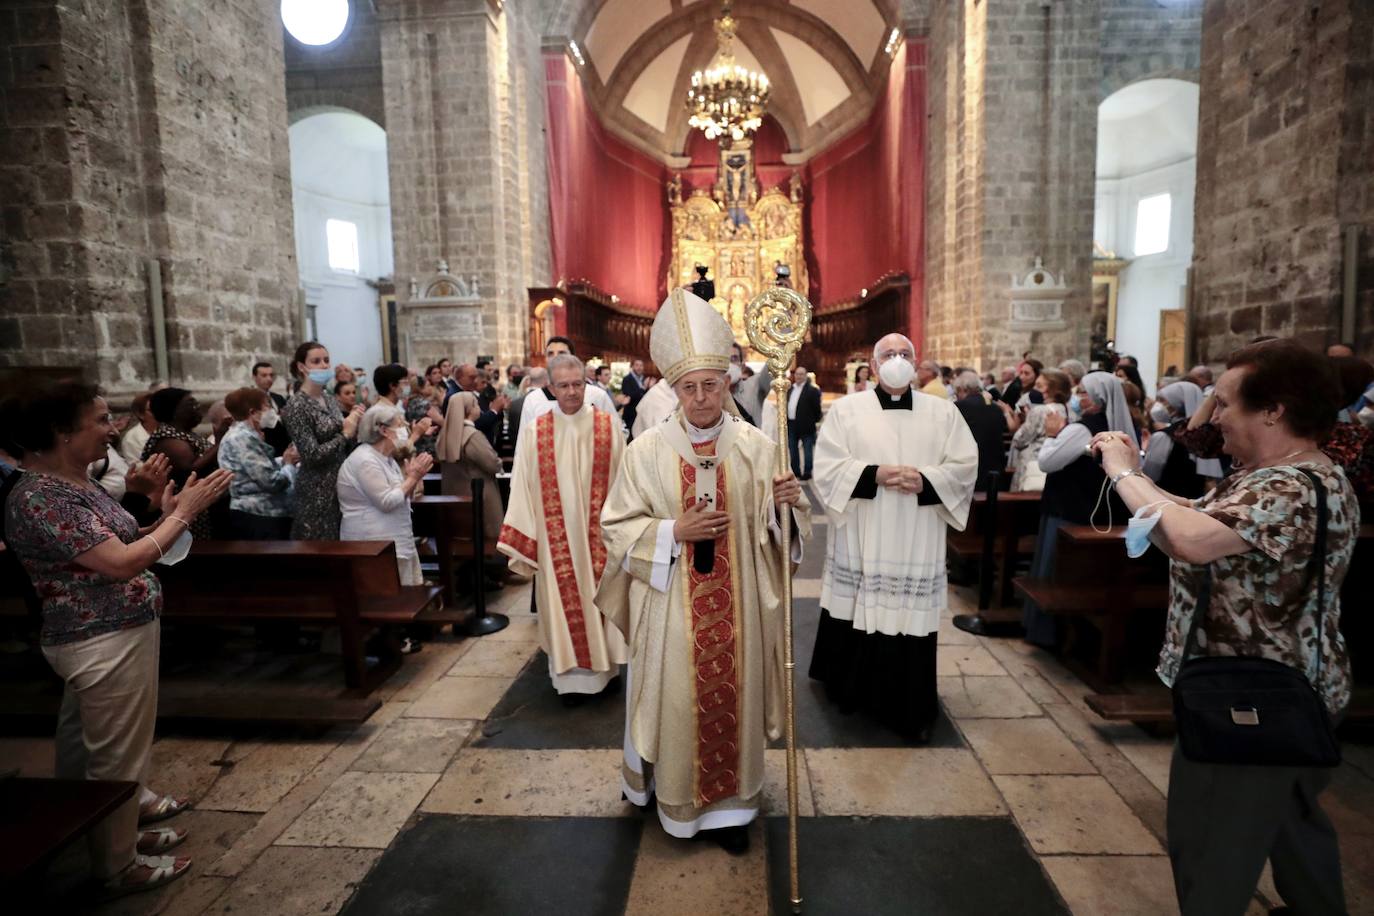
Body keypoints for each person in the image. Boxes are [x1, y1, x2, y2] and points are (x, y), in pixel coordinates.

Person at [1093, 339, 1354, 916]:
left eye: (1227, 403)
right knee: (1293, 830)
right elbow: (1186, 511)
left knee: (1212, 844)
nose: (1215, 419)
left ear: (1274, 410)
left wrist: (1123, 473)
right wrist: (1138, 479)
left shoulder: (1289, 488)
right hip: (1285, 689)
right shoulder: (1269, 476)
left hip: (1252, 698)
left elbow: (1188, 539)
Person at [596, 288, 807, 854]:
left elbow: (779, 531)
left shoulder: (759, 448)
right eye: (688, 387)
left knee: (729, 700)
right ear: (674, 390)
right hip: (670, 608)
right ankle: (675, 803)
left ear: (728, 382)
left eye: (710, 384)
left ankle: (729, 812)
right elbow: (616, 525)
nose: (700, 397)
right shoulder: (645, 452)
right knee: (675, 702)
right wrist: (671, 533)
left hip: (737, 609)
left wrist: (784, 503)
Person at [2, 380, 231, 896]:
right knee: (118, 757)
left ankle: (108, 838)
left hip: (114, 633)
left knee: (84, 750)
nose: (116, 428)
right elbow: (121, 562)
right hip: (99, 640)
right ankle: (115, 866)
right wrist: (184, 514)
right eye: (102, 420)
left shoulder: (74, 483)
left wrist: (158, 507)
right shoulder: (41, 497)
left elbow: (122, 538)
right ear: (62, 433)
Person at [809, 333, 977, 742]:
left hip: (917, 529)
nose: (897, 360)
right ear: (872, 363)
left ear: (916, 363)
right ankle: (854, 694)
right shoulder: (847, 410)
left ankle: (910, 705)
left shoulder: (943, 413)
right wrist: (874, 474)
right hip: (865, 525)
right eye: (888, 354)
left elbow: (964, 464)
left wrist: (926, 479)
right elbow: (827, 467)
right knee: (860, 608)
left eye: (905, 354)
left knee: (908, 620)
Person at [499, 354, 627, 702]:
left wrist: (624, 531)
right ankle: (569, 682)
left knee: (600, 603)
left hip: (599, 539)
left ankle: (606, 673)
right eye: (564, 386)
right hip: (554, 543)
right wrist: (527, 535)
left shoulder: (607, 426)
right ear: (550, 388)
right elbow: (522, 484)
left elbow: (625, 483)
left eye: (578, 384)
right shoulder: (535, 431)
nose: (572, 392)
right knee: (562, 607)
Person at [1018, 372, 1136, 647]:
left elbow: (1047, 462)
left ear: (1097, 399)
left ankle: (1047, 632)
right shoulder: (1116, 427)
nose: (1077, 396)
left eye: (1083, 392)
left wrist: (1051, 435)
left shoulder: (1081, 429)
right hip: (1094, 510)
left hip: (1067, 509)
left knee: (1054, 570)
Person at [337, 403, 433, 588]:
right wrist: (413, 477)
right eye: (399, 425)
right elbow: (386, 501)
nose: (404, 430)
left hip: (393, 536)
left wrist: (412, 478)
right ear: (383, 430)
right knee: (384, 597)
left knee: (405, 595)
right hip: (372, 541)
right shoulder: (365, 460)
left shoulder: (386, 458)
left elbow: (402, 494)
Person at [281, 341, 364, 539]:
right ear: (302, 367)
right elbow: (311, 455)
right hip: (317, 489)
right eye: (316, 361)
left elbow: (344, 440)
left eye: (326, 360)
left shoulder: (329, 399)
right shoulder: (296, 406)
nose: (324, 365)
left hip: (340, 480)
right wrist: (344, 434)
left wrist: (354, 425)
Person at [218, 387, 298, 539]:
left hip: (262, 514)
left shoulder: (247, 435)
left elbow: (256, 468)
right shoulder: (242, 437)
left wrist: (284, 459)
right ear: (253, 413)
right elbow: (271, 482)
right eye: (267, 406)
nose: (271, 411)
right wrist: (288, 465)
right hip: (258, 515)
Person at [437, 391, 503, 541]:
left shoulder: (445, 433)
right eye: (476, 405)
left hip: (454, 491)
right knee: (485, 533)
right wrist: (498, 462)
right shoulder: (472, 435)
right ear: (469, 409)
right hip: (478, 493)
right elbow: (492, 463)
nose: (479, 408)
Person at [1141, 381, 1221, 499]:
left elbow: (1150, 475)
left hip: (1164, 500)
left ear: (1177, 404)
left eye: (1163, 401)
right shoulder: (1208, 438)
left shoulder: (1164, 437)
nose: (1158, 405)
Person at [519, 338, 618, 432]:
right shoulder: (533, 399)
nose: (555, 357)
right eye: (550, 354)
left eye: (562, 353)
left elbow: (615, 430)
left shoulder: (597, 395)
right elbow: (523, 444)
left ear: (573, 357)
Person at [1001, 368, 1071, 492]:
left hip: (1033, 464)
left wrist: (1027, 418)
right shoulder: (1065, 409)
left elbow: (1019, 440)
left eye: (1039, 386)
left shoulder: (1039, 411)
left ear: (1052, 389)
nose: (1035, 390)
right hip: (1054, 464)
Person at [952, 370, 1008, 491]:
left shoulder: (959, 407)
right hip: (995, 467)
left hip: (971, 468)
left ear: (963, 389)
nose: (956, 396)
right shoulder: (995, 408)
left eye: (957, 392)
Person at [786, 365, 822, 480]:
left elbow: (817, 409)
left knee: (807, 450)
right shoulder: (790, 389)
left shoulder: (812, 390)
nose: (798, 376)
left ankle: (807, 472)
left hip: (806, 425)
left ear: (806, 376)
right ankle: (795, 471)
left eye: (801, 374)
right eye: (797, 374)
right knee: (793, 449)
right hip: (792, 424)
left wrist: (813, 420)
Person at [252, 361, 291, 456]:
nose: (269, 379)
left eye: (271, 375)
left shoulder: (278, 398)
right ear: (254, 377)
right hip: (265, 449)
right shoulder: (250, 399)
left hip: (284, 448)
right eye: (264, 375)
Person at [406, 372, 445, 459]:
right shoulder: (424, 404)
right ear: (420, 389)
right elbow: (441, 421)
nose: (431, 388)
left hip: (417, 444)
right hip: (428, 445)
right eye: (428, 385)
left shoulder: (411, 402)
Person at [119, 393, 157, 465]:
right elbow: (138, 468)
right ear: (141, 414)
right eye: (152, 410)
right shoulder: (132, 439)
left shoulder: (168, 430)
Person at [620, 358, 648, 433]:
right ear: (632, 366)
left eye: (641, 365)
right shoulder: (627, 379)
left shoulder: (644, 379)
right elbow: (628, 395)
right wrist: (643, 388)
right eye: (637, 365)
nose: (639, 367)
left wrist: (650, 388)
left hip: (642, 413)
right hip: (631, 414)